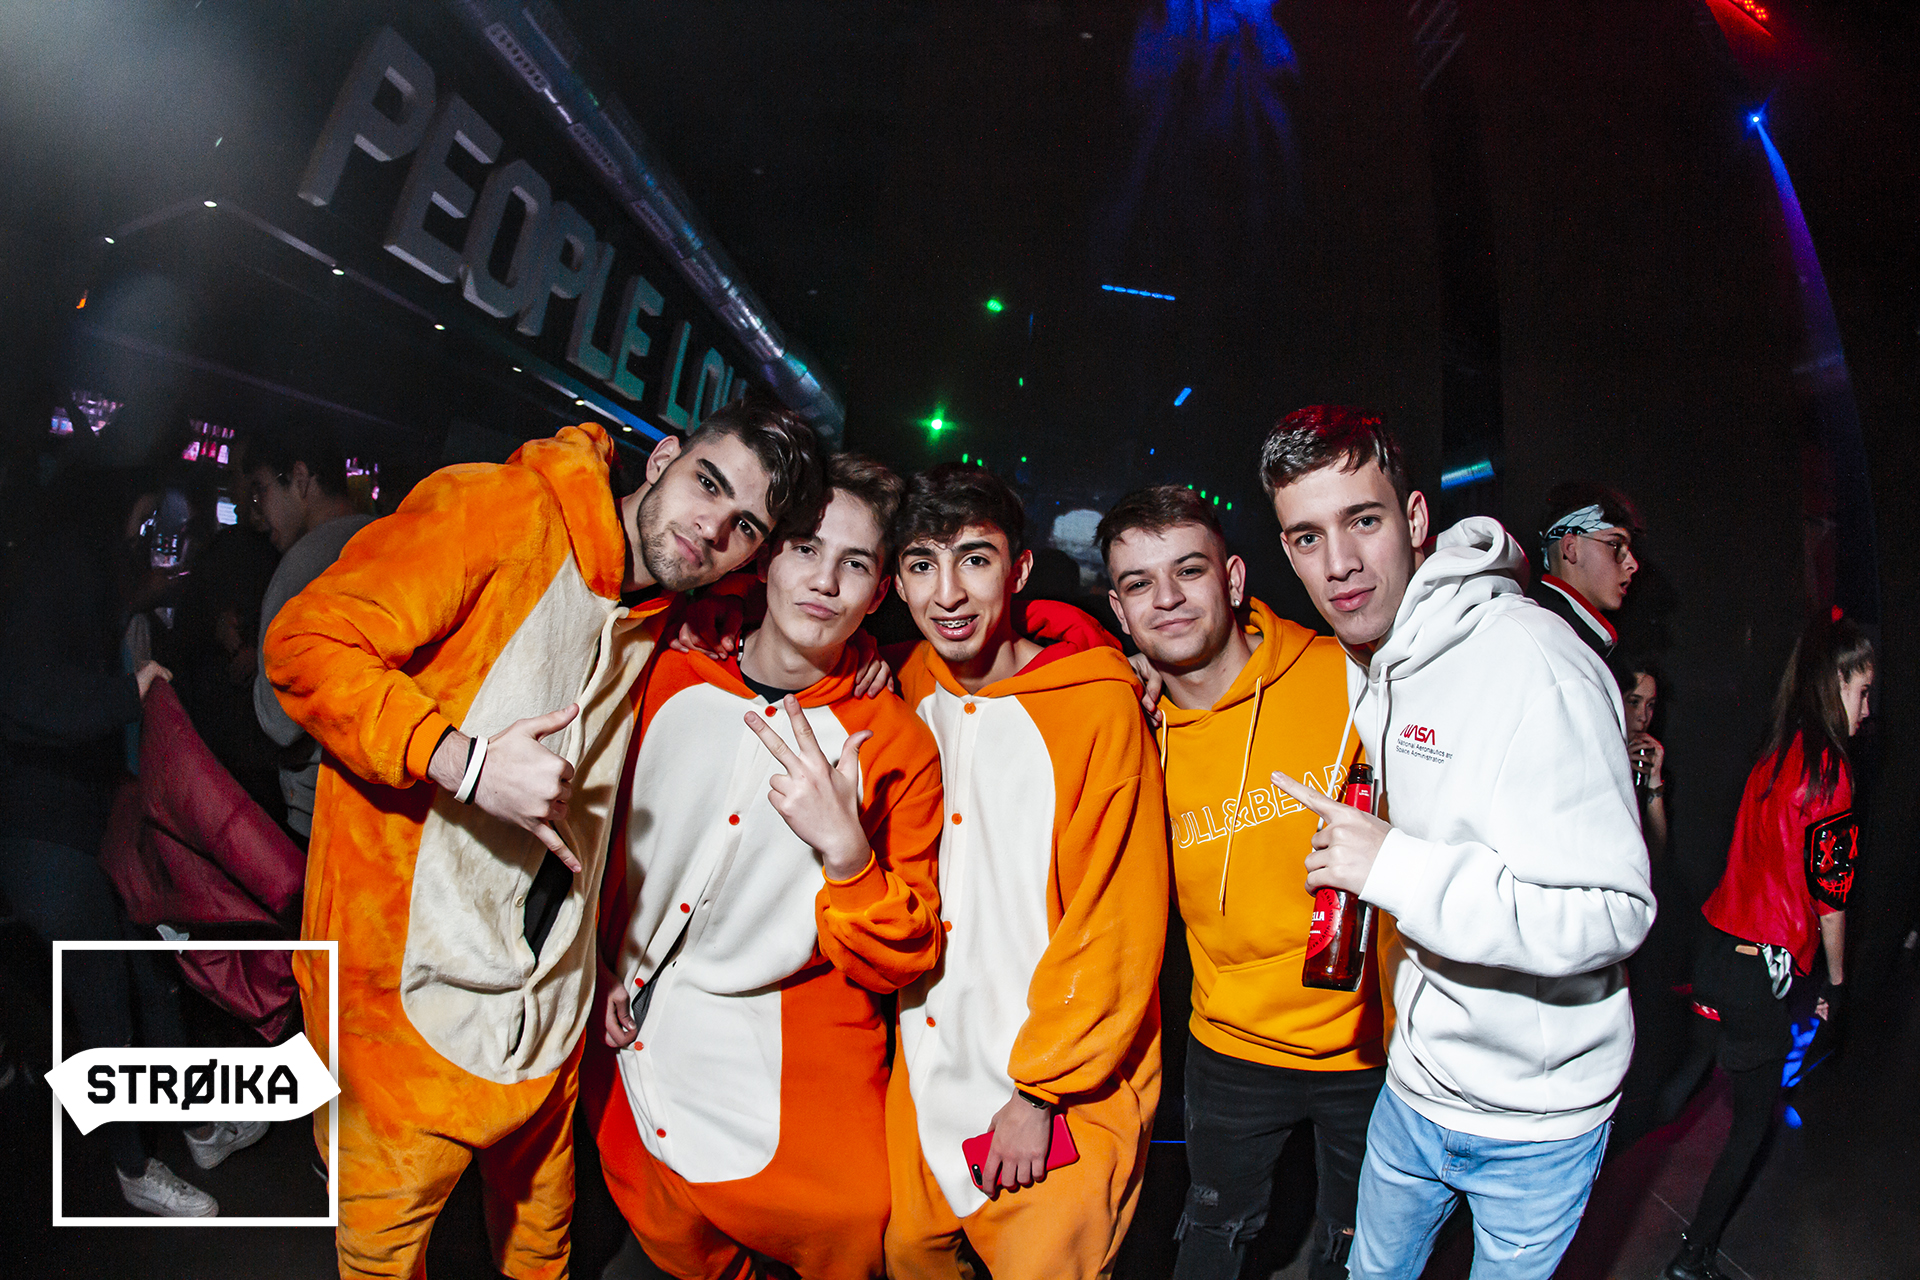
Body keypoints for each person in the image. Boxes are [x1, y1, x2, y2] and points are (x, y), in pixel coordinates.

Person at [263, 399, 826, 1279]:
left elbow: (792, 612)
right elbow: (305, 643)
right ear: (663, 459)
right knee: (384, 1258)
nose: (711, 529)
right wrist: (467, 763)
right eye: (707, 484)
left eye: (744, 526)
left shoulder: (659, 609)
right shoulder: (503, 508)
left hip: (545, 1007)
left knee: (542, 1251)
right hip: (402, 1009)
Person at [1257, 406, 1653, 1280]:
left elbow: (1614, 913)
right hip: (1414, 1087)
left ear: (1414, 519)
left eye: (1362, 521)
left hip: (1535, 1124)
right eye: (1308, 537)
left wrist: (1395, 868)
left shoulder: (1535, 664)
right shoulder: (1374, 656)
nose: (1339, 563)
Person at [584, 455, 944, 1280]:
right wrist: (592, 965)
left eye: (855, 564)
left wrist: (847, 853)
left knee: (858, 1223)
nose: (824, 582)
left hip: (780, 1074)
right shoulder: (663, 664)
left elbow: (901, 957)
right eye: (806, 549)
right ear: (767, 557)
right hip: (615, 1048)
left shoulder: (894, 741)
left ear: (879, 593)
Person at [882, 464, 1169, 1280]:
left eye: (974, 560)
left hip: (1053, 1095)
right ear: (896, 583)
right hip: (923, 1083)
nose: (948, 593)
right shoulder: (900, 686)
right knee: (906, 1259)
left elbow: (1116, 918)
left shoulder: (1099, 702)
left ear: (1019, 570)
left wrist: (1040, 1094)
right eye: (922, 564)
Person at [1098, 484, 1385, 1280]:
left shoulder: (1346, 671)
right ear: (1120, 611)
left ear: (1231, 579)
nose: (1166, 598)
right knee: (1213, 1233)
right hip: (1230, 1043)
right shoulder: (1126, 723)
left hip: (1372, 1043)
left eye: (1188, 571)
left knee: (1358, 1248)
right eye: (1139, 583)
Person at [0, 467, 259, 1214]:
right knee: (105, 995)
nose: (152, 533)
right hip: (42, 834)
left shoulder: (82, 567)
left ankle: (197, 1125)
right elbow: (23, 694)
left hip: (89, 820)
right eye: (148, 516)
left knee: (151, 973)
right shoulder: (56, 565)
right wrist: (128, 691)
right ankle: (133, 1168)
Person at [1655, 613, 1871, 1280]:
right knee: (1752, 1125)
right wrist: (1837, 985)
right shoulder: (1830, 773)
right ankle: (1692, 1258)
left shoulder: (1777, 754)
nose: (1868, 710)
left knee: (1680, 1090)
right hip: (1755, 970)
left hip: (1717, 953)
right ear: (1835, 681)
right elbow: (1831, 895)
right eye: (1863, 691)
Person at [246, 420, 375, 845]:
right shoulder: (390, 538)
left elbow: (278, 722)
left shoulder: (302, 566)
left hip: (316, 816)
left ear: (300, 479)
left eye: (261, 490)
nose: (255, 512)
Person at [1529, 481, 1642, 658]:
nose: (1633, 564)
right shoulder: (1538, 634)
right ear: (1570, 548)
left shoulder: (1573, 634)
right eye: (1615, 544)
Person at [1618, 656, 1669, 861]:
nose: (1644, 716)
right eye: (1634, 702)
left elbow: (1655, 853)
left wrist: (1654, 779)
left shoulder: (1642, 758)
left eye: (1650, 705)